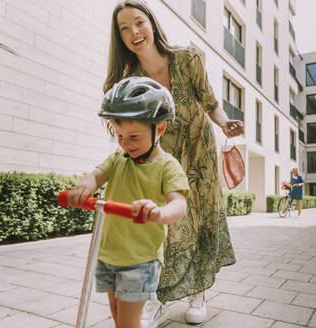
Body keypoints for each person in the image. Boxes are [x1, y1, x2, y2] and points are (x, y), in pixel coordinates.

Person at [103, 0, 244, 325]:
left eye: (138, 22)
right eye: (124, 28)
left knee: (202, 220)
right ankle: (158, 297)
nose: (133, 32)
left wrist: (226, 124)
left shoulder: (186, 57)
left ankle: (199, 293)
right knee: (165, 228)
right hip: (163, 160)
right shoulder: (132, 80)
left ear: (151, 23)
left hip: (199, 152)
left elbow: (210, 103)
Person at [67, 77, 190, 328]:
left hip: (140, 259)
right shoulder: (117, 158)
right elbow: (96, 175)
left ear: (161, 128)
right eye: (119, 135)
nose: (125, 143)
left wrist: (158, 213)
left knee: (127, 322)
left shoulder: (168, 166)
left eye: (133, 136)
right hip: (108, 253)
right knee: (117, 314)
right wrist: (85, 186)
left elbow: (179, 205)